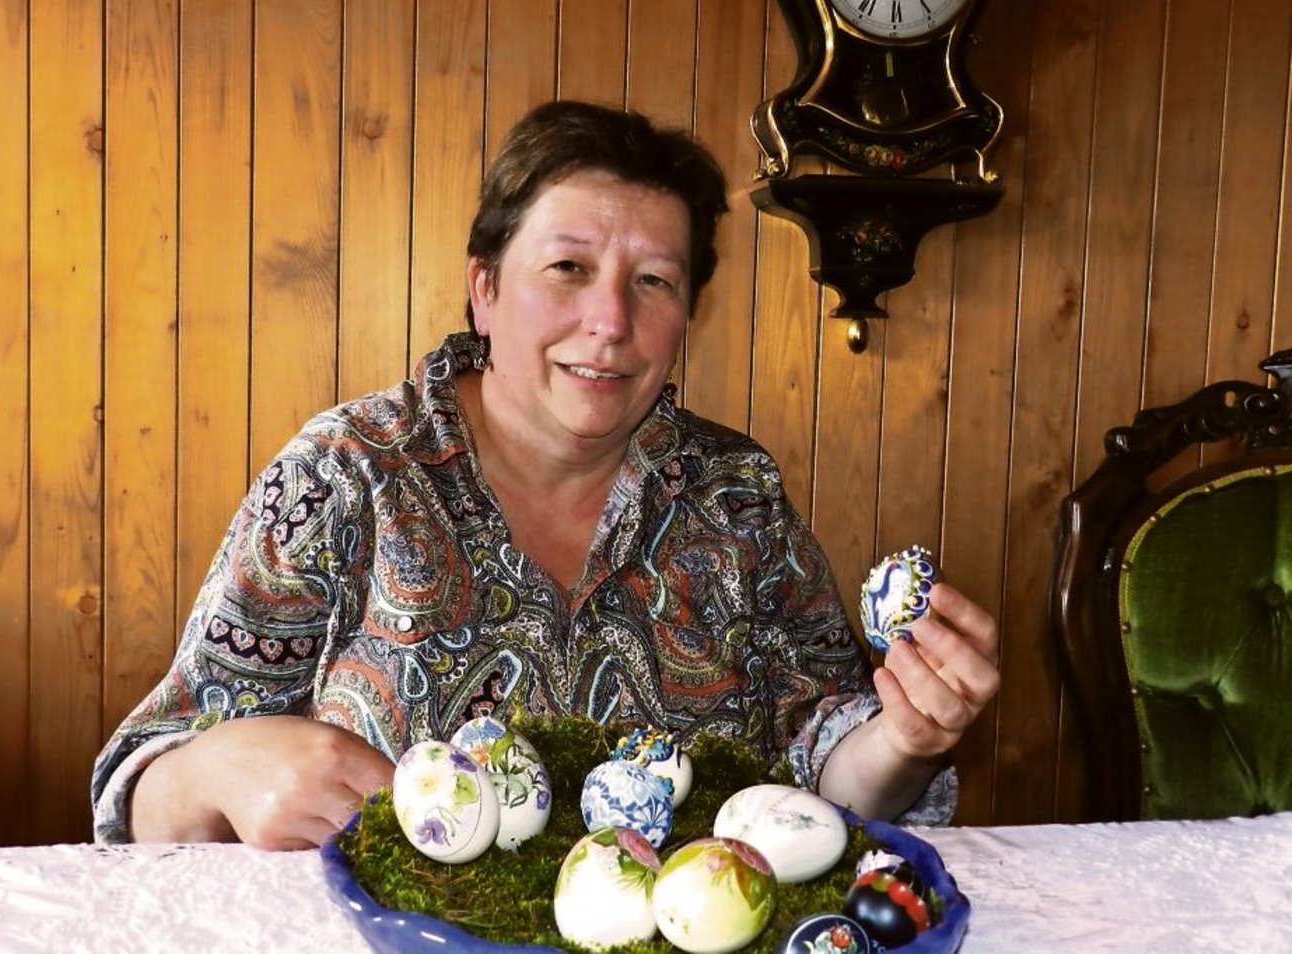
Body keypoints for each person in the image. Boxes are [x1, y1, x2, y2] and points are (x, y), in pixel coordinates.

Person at [91, 100, 999, 850]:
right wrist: (217, 768)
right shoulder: (346, 475)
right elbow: (139, 799)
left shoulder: (737, 495)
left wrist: (906, 739)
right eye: (568, 267)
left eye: (654, 281)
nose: (610, 321)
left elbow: (825, 778)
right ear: (485, 288)